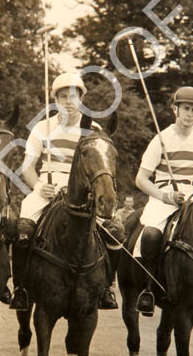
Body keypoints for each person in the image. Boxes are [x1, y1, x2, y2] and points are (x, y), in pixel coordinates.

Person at [7, 72, 123, 310]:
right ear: (55, 100)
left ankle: (107, 288)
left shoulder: (94, 128)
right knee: (23, 228)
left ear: (81, 98)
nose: (68, 101)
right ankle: (20, 288)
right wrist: (39, 186)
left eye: (73, 96)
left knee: (115, 232)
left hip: (82, 191)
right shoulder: (43, 127)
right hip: (47, 187)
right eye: (62, 96)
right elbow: (27, 167)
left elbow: (102, 166)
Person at [134, 86, 193, 316]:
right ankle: (148, 290)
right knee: (151, 234)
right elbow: (140, 179)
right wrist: (166, 196)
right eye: (186, 109)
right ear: (175, 109)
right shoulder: (161, 139)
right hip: (163, 196)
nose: (190, 114)